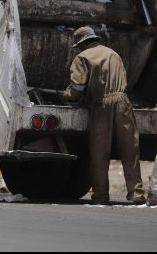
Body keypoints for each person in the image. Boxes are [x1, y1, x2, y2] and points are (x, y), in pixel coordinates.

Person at [62, 26, 146, 205]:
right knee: (130, 149)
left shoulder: (82, 57)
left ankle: (100, 194)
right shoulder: (113, 53)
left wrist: (66, 95)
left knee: (100, 151)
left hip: (102, 104)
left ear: (81, 43)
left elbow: (77, 87)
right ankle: (137, 193)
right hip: (123, 101)